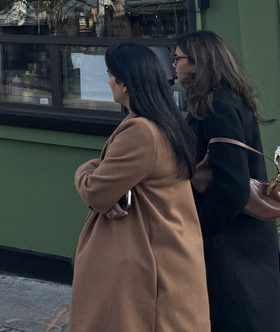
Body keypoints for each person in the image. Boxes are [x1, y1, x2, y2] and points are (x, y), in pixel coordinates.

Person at [70, 43, 208, 332]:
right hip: (171, 255)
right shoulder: (166, 123)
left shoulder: (140, 131)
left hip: (147, 266)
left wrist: (85, 169)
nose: (108, 82)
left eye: (110, 75)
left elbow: (96, 191)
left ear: (125, 83)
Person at [174, 30, 280, 332]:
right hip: (246, 235)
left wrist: (200, 226)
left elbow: (231, 182)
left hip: (231, 240)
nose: (174, 65)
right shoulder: (232, 100)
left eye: (178, 58)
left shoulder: (216, 107)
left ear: (197, 63)